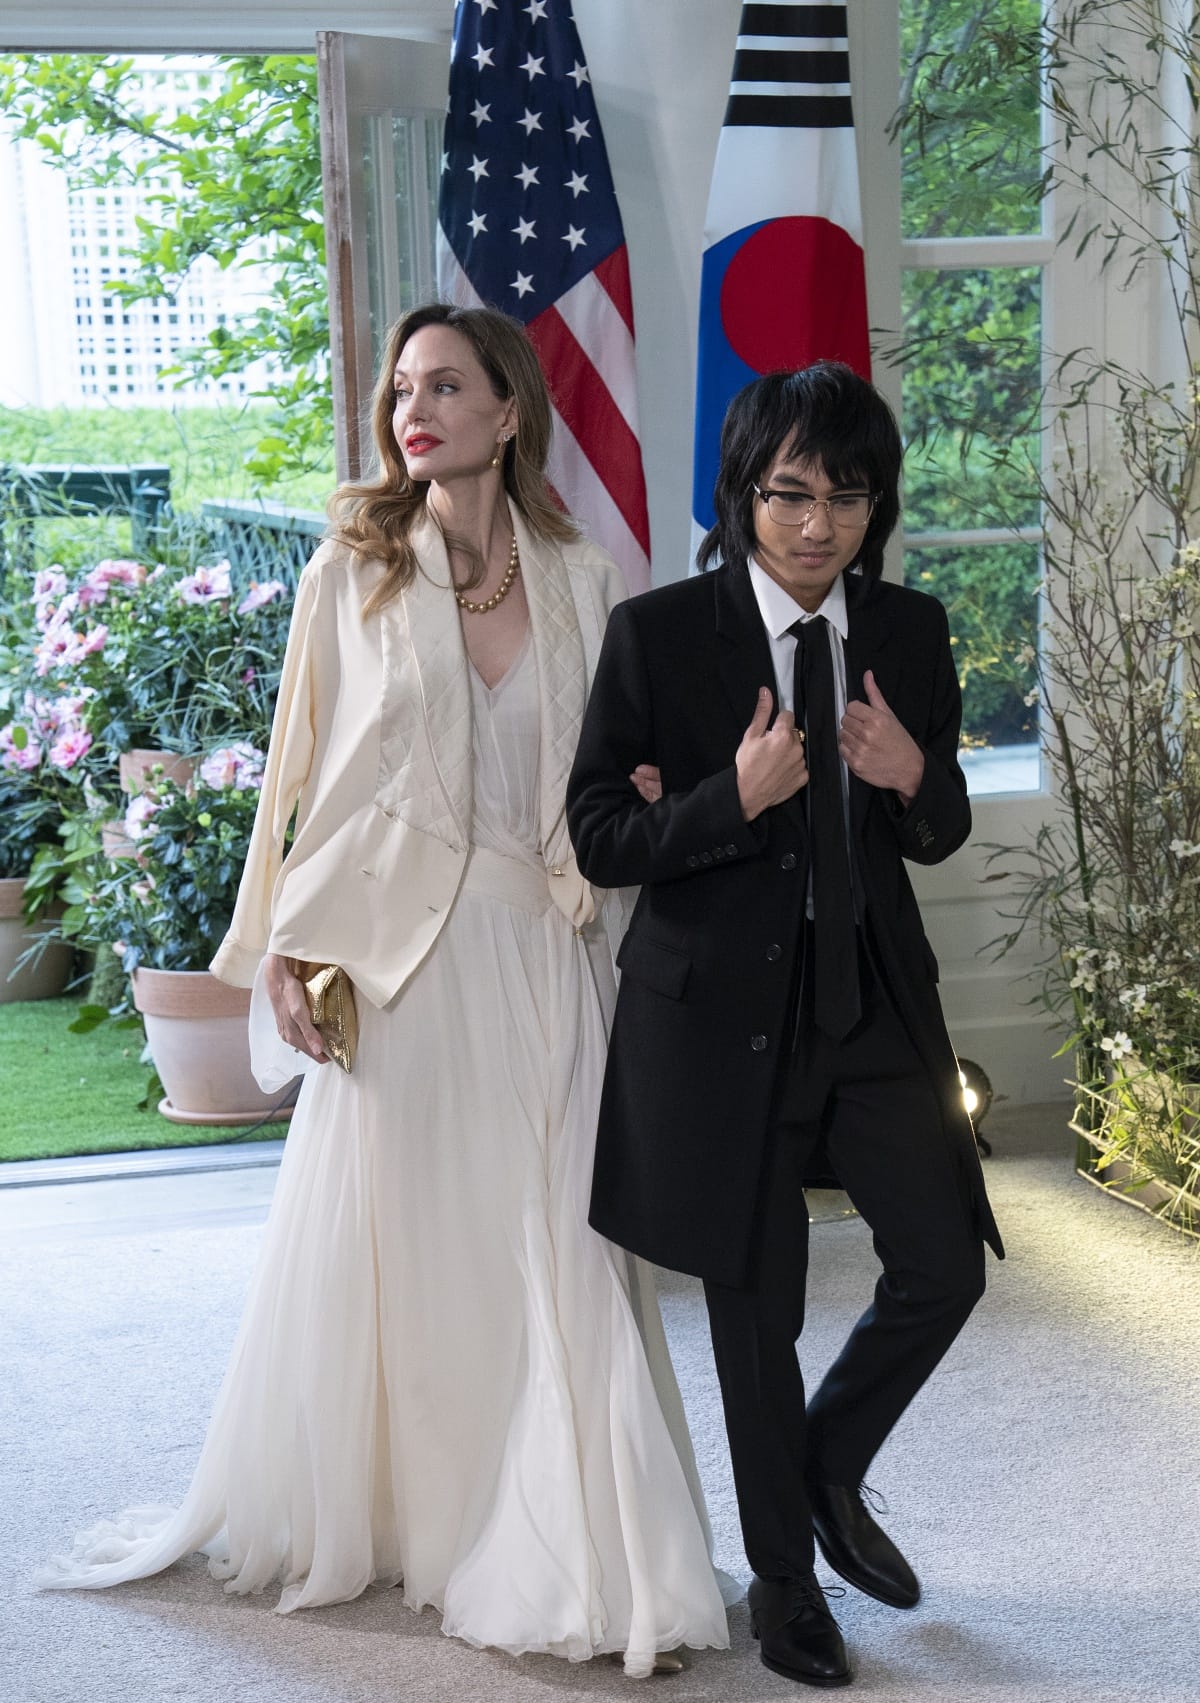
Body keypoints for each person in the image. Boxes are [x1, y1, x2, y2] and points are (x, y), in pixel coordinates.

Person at [38, 302, 732, 1678]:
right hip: (400, 964)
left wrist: (649, 790)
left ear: (509, 410)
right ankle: (428, 1513)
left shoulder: (589, 578)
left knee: (563, 1245)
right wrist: (280, 949)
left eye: (446, 385)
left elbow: (612, 775)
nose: (414, 409)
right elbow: (295, 784)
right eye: (402, 387)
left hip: (545, 951)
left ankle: (565, 1528)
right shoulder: (346, 576)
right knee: (418, 1247)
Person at [566, 362, 1004, 1690]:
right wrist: (732, 797)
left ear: (880, 504)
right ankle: (785, 1589)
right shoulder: (657, 636)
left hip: (870, 1002)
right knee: (755, 1313)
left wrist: (911, 773)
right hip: (715, 1028)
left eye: (849, 496)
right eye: (790, 494)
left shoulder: (913, 632)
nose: (817, 525)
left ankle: (825, 1468)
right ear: (745, 494)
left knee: (944, 1264)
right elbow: (599, 836)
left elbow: (937, 829)